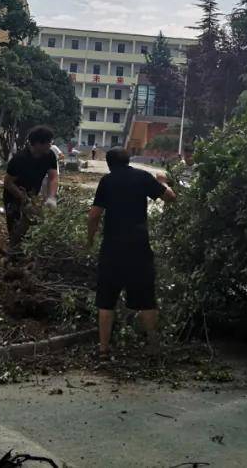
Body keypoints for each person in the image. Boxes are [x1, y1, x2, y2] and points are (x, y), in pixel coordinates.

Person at [86, 148, 176, 361]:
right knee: (146, 297)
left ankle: (104, 350)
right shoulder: (143, 177)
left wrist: (90, 239)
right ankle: (154, 347)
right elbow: (171, 197)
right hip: (139, 247)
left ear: (109, 164)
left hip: (112, 248)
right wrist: (162, 181)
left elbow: (94, 215)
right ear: (128, 160)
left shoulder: (107, 181)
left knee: (106, 300)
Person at [3, 126, 59, 250]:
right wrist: (23, 198)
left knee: (32, 225)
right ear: (38, 144)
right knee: (16, 227)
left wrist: (51, 197)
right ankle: (13, 256)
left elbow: (53, 177)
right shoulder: (19, 159)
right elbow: (8, 183)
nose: (50, 145)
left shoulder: (49, 156)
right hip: (14, 195)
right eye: (48, 142)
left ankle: (28, 253)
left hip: (33, 193)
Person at [40, 143, 64, 208]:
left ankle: (51, 207)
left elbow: (62, 156)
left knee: (52, 193)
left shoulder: (54, 147)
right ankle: (45, 208)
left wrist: (55, 160)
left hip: (54, 173)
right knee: (44, 193)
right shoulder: (40, 149)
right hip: (44, 175)